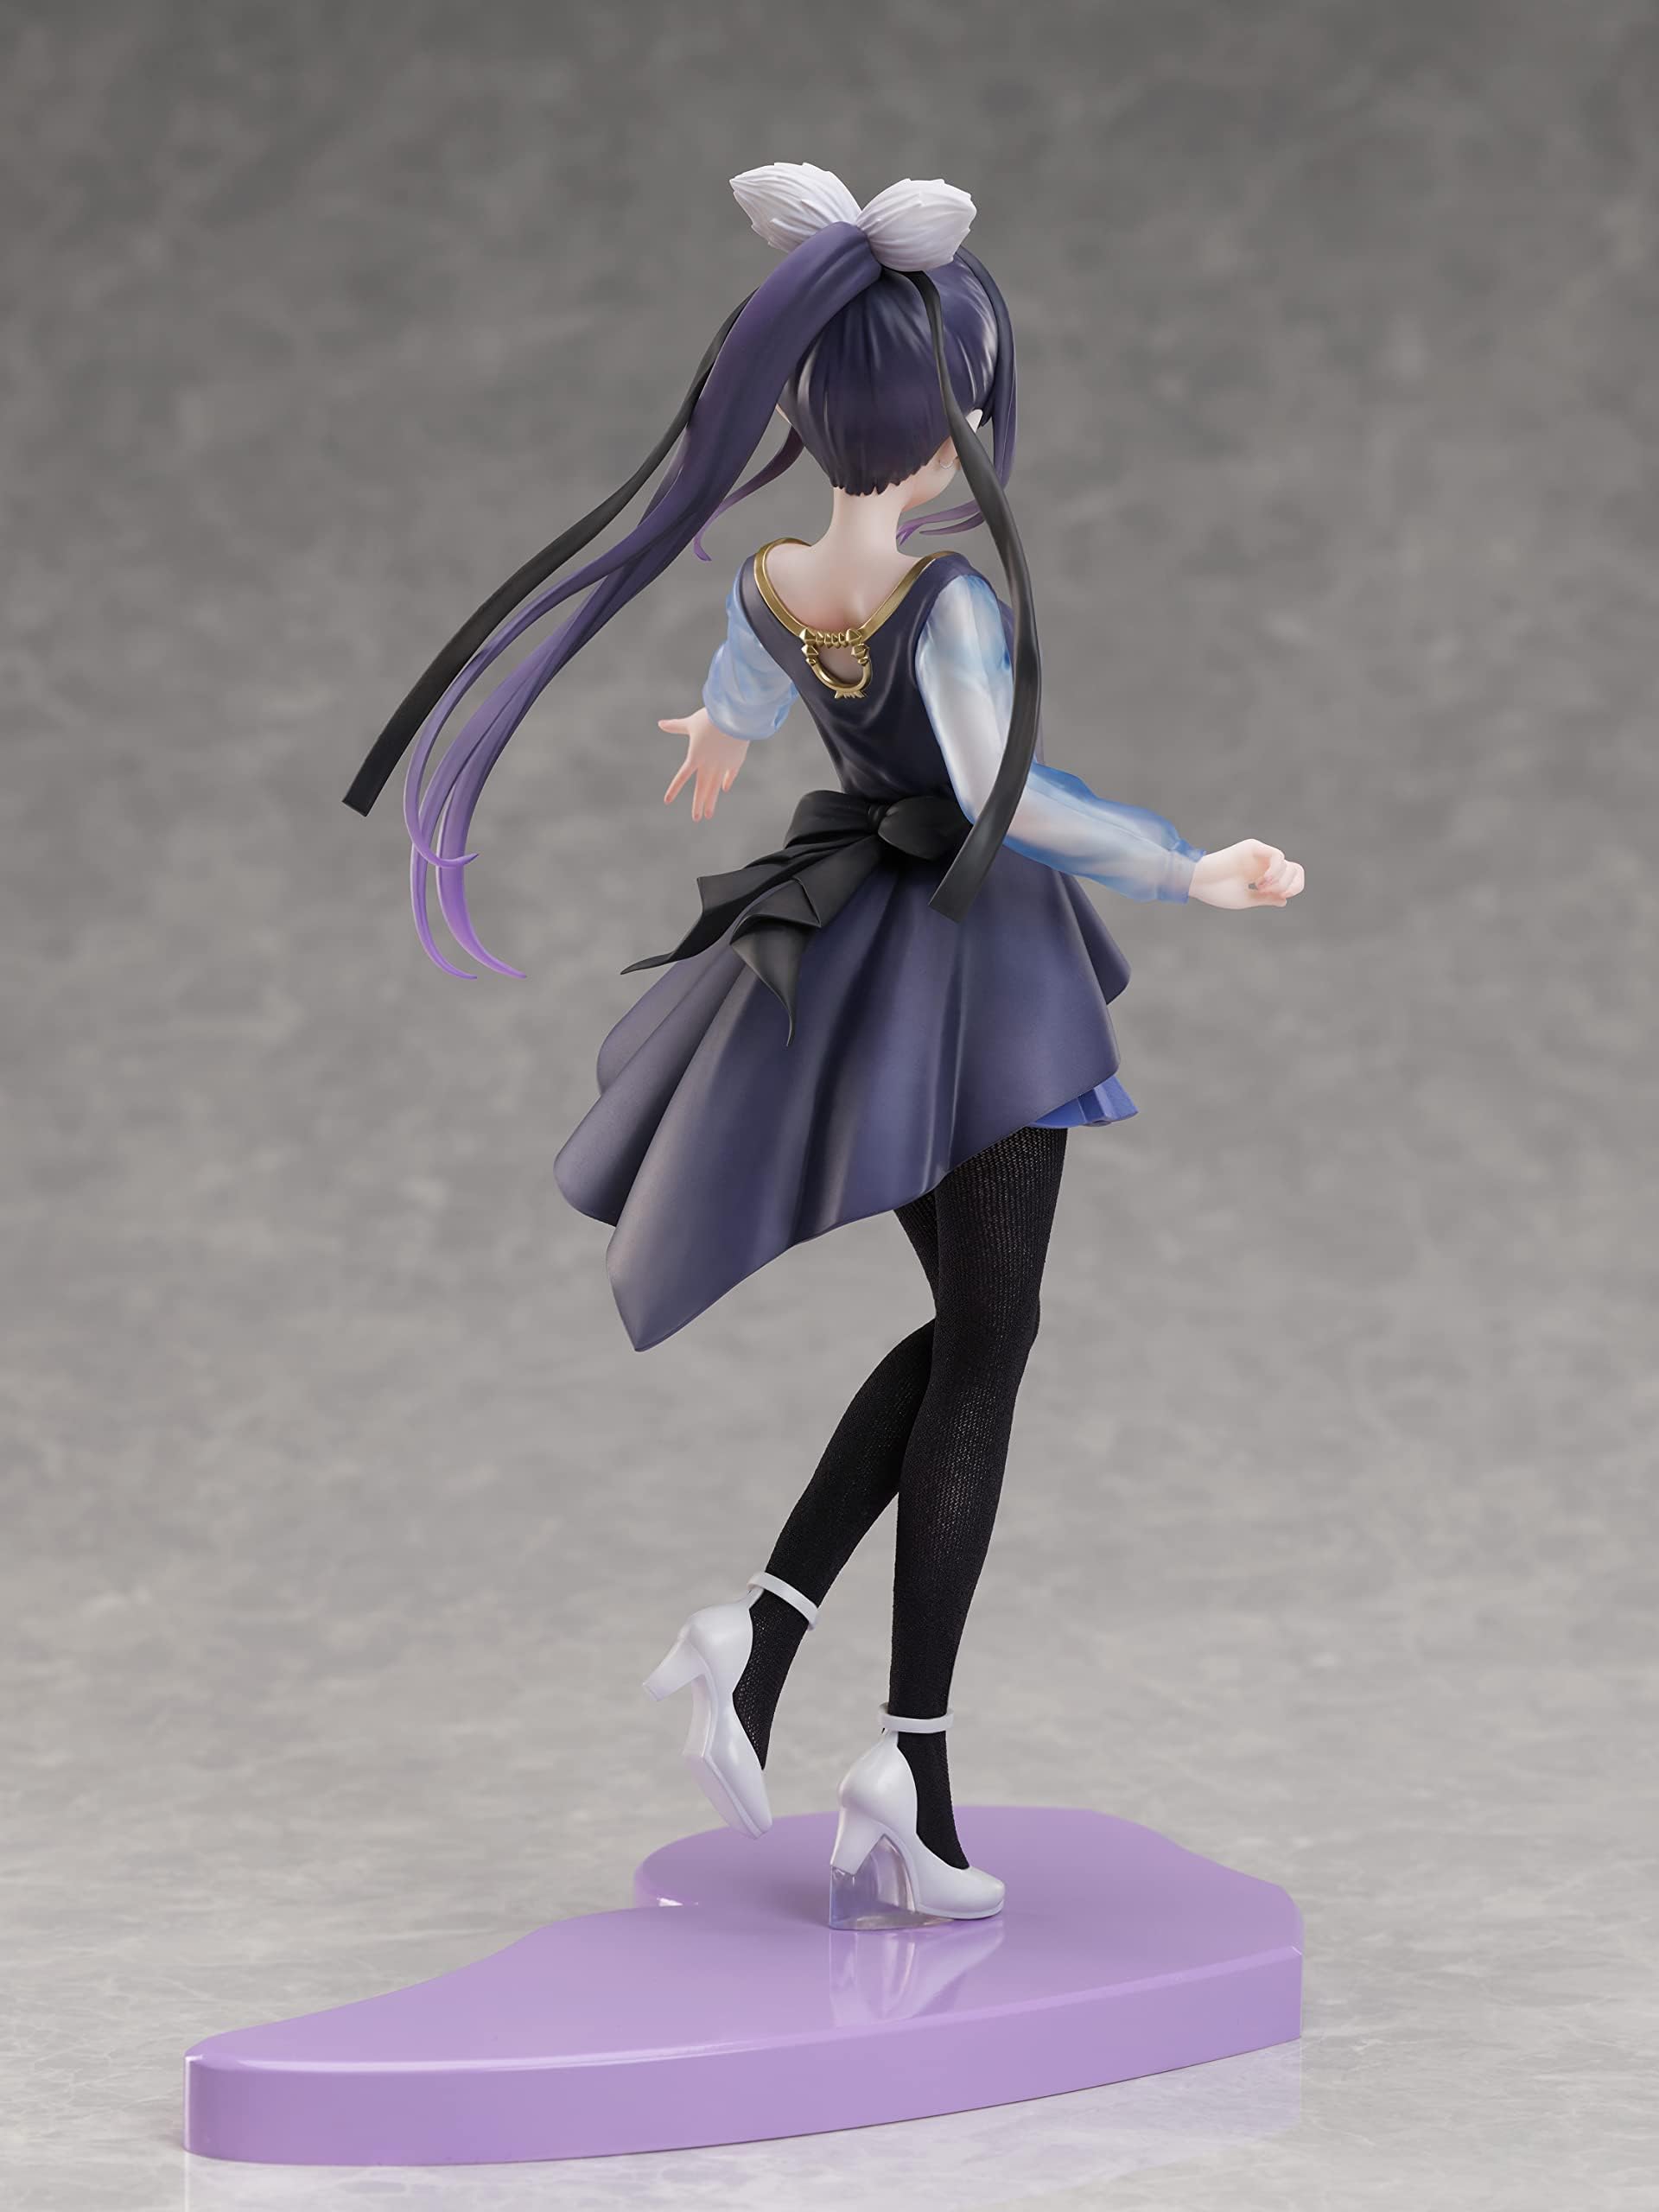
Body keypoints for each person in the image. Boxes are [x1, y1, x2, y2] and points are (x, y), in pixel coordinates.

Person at [345, 162, 1304, 1930]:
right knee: (990, 1345)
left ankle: (771, 1644)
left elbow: (743, 677)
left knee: (976, 1334)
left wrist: (719, 739)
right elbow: (1009, 798)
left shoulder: (781, 579)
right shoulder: (950, 606)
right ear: (943, 428)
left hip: (865, 954)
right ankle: (900, 1763)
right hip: (972, 969)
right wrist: (1187, 866)